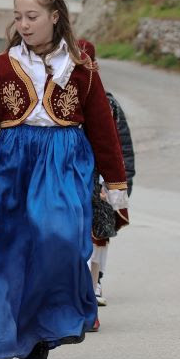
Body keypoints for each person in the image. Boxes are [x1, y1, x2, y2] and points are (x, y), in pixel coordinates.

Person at [0, 0, 128, 359]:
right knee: (5, 252)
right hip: (15, 166)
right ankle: (30, 340)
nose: (24, 24)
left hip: (64, 163)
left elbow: (102, 128)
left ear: (55, 17)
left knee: (57, 238)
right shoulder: (0, 67)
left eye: (32, 16)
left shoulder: (82, 69)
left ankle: (60, 318)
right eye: (18, 16)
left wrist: (115, 182)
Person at [78, 40, 133, 322]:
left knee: (99, 236)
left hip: (97, 185)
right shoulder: (63, 102)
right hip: (72, 182)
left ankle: (94, 285)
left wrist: (118, 186)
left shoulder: (107, 104)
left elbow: (119, 148)